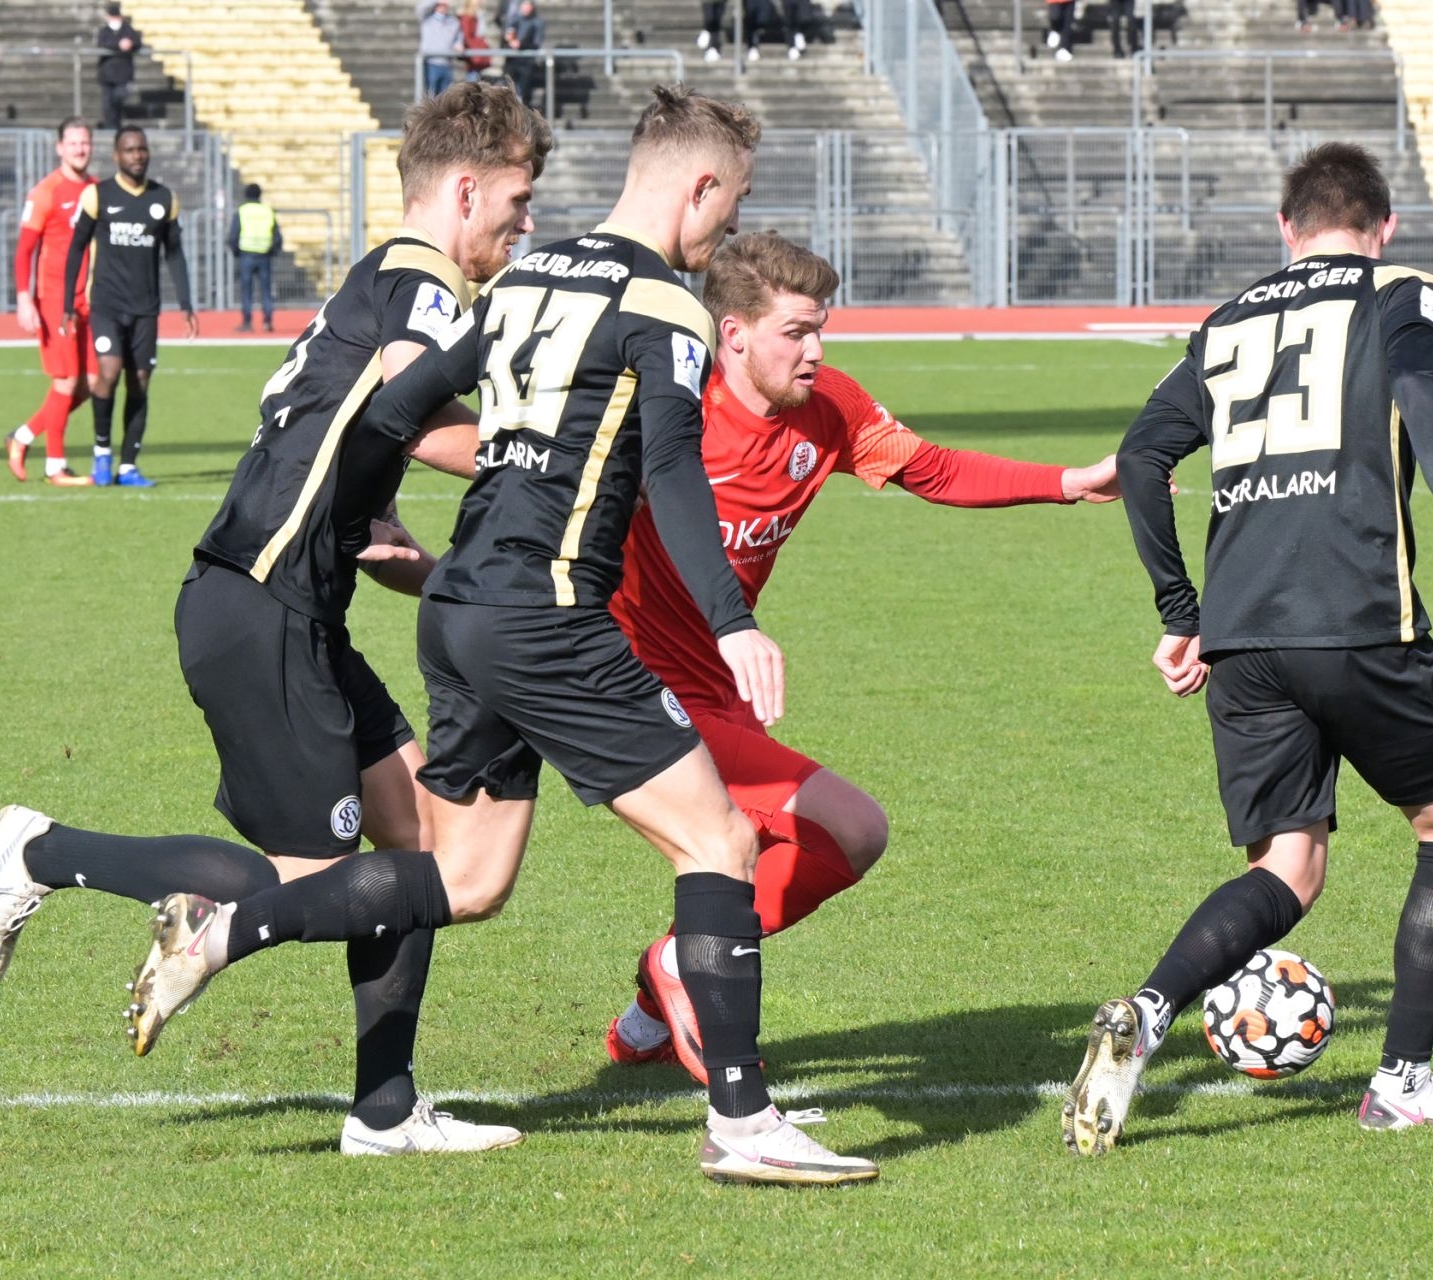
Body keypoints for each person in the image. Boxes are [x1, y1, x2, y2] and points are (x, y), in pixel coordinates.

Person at [117, 85, 877, 1186]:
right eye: (736, 198)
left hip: (459, 612)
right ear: (702, 184)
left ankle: (226, 929)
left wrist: (373, 517)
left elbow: (392, 409)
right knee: (718, 842)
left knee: (464, 877)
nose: (731, 223)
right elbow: (673, 472)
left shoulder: (527, 275)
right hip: (548, 618)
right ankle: (744, 1121)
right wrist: (733, 620)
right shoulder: (662, 305)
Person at [0, 83, 550, 1157]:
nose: (525, 225)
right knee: (300, 885)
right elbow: (424, 419)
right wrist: (559, 449)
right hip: (261, 609)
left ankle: (384, 1111)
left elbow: (357, 463)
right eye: (517, 202)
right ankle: (41, 850)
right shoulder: (422, 282)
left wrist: (412, 552)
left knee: (415, 845)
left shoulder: (379, 282)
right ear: (466, 191)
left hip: (288, 608)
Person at [1063, 142, 1433, 1156]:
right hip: (1359, 618)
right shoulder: (1401, 290)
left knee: (1289, 868)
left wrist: (1180, 609)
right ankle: (1402, 1081)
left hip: (1242, 638)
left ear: (1286, 230)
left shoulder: (1228, 319)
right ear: (1384, 228)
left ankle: (1150, 1011)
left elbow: (1143, 456)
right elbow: (1422, 386)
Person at [601, 231, 1121, 1079]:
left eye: (820, 329)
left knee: (776, 853)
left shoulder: (829, 405)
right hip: (641, 684)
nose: (815, 350)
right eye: (795, 332)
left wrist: (1068, 482)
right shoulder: (672, 409)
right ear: (734, 334)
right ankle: (691, 986)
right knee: (848, 828)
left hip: (725, 687)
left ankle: (654, 1005)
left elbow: (932, 469)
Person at [62, 126, 197, 488]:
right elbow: (76, 248)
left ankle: (128, 467)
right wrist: (68, 302)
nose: (137, 155)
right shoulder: (97, 195)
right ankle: (101, 453)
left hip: (145, 308)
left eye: (142, 149)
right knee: (108, 372)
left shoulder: (164, 198)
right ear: (116, 155)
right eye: (130, 150)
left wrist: (186, 303)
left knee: (139, 382)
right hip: (105, 304)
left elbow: (175, 254)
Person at [7, 118, 99, 486]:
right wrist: (23, 297)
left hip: (89, 299)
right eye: (73, 143)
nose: (79, 149)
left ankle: (23, 436)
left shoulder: (96, 189)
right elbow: (24, 250)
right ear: (60, 148)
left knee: (93, 382)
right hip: (55, 300)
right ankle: (54, 466)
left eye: (84, 142)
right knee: (66, 380)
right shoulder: (45, 191)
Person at [226, 182, 281, 334]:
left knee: (246, 290)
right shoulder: (267, 211)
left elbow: (233, 234)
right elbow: (276, 235)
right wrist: (273, 251)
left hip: (246, 254)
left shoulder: (242, 211)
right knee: (266, 290)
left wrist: (236, 251)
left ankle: (247, 322)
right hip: (264, 255)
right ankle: (268, 321)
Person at [96, 3, 142, 131]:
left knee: (118, 99)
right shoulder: (104, 31)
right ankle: (110, 126)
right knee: (108, 104)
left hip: (123, 74)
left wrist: (130, 44)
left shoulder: (128, 30)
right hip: (106, 74)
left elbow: (138, 42)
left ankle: (116, 125)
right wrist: (118, 45)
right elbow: (101, 43)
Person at [418, 0, 464, 98]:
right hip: (431, 63)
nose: (443, 6)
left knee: (446, 97)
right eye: (440, 5)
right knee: (431, 96)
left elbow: (458, 38)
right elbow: (421, 8)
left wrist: (458, 44)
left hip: (447, 63)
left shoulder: (453, 21)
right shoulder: (427, 18)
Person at [502, 0, 543, 105]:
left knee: (524, 91)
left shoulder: (537, 22)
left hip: (526, 61)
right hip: (512, 60)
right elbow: (506, 38)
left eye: (527, 6)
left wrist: (521, 44)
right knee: (508, 89)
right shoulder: (514, 20)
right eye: (524, 6)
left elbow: (536, 44)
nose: (525, 8)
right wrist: (508, 41)